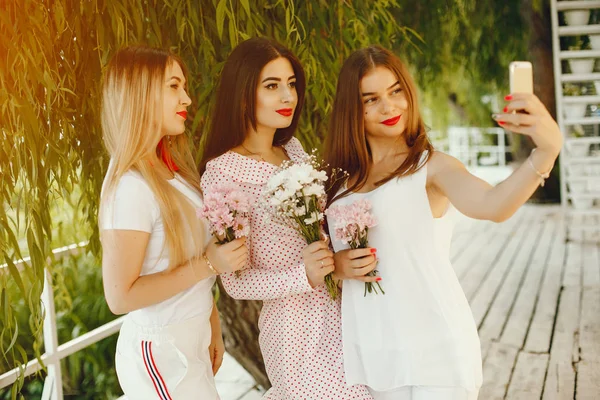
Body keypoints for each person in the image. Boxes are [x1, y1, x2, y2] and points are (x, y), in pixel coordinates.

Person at [325, 45, 562, 400]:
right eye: (370, 99)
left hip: (434, 353)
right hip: (371, 358)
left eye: (395, 91)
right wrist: (336, 267)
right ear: (351, 109)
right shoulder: (339, 184)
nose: (389, 107)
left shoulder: (431, 168)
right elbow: (325, 268)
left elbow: (493, 205)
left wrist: (545, 153)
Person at [200, 37, 373, 399]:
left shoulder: (292, 151)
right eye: (272, 86)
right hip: (293, 333)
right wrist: (304, 275)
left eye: (292, 84)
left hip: (341, 313)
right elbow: (235, 283)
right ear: (243, 92)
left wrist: (340, 260)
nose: (287, 97)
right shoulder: (223, 173)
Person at [99, 45, 247, 400]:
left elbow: (187, 256)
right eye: (174, 86)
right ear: (141, 93)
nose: (188, 98)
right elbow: (120, 296)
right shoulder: (130, 187)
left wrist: (212, 325)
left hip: (190, 341)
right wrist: (210, 263)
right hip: (162, 354)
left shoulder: (170, 173)